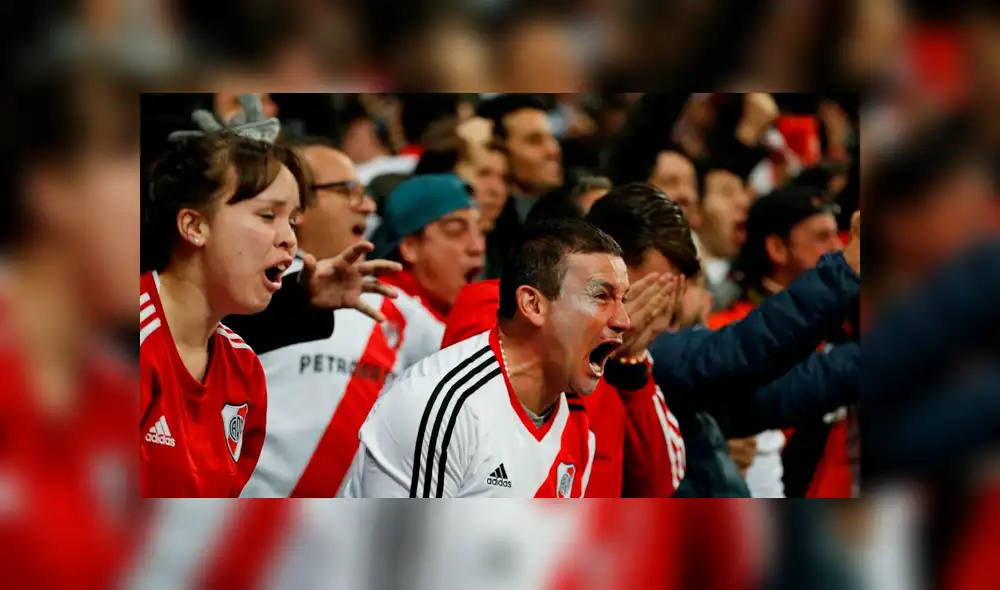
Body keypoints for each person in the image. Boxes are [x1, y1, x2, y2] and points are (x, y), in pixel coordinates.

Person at [141, 131, 384, 497]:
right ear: (194, 226)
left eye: (293, 220)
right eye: (268, 215)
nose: (289, 238)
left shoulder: (245, 369)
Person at [341, 218, 630, 497]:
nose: (623, 321)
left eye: (623, 299)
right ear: (533, 304)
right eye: (601, 296)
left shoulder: (576, 425)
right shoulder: (443, 404)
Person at [441, 184, 693, 497]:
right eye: (650, 293)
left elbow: (659, 486)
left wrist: (630, 369)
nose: (629, 316)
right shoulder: (492, 305)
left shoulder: (627, 355)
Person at [238, 139, 443, 498]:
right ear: (295, 205)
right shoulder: (241, 289)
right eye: (348, 191)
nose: (366, 205)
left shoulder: (396, 306)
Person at [712, 185, 846, 498]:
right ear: (777, 248)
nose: (837, 248)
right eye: (821, 237)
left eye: (836, 235)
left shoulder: (849, 322)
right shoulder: (724, 334)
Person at [371, 174, 486, 329]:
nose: (478, 246)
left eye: (481, 231)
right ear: (411, 247)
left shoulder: (476, 316)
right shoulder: (379, 313)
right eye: (455, 230)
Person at [477, 94, 564, 278]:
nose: (552, 150)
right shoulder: (486, 226)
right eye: (534, 141)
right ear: (499, 149)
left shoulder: (569, 212)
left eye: (551, 138)